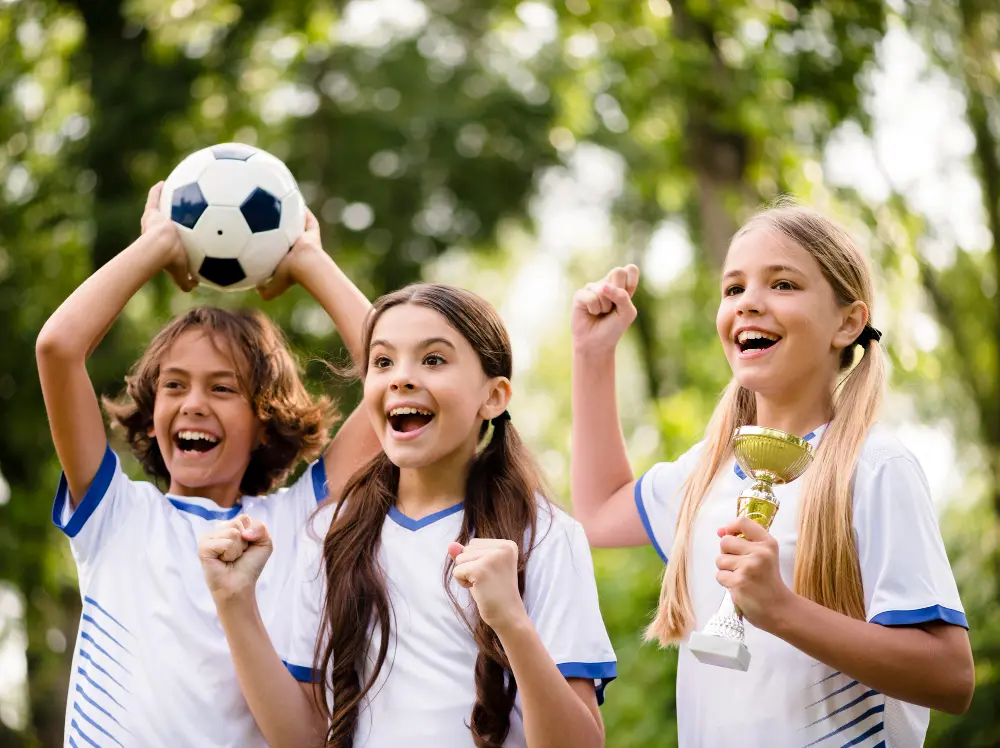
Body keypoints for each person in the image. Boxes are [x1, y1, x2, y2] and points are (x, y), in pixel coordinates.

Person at [569, 203, 975, 748]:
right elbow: (598, 512)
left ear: (847, 323)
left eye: (783, 284)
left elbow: (951, 677)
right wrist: (593, 356)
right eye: (732, 289)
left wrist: (782, 610)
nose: (749, 303)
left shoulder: (875, 466)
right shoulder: (706, 469)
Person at [36, 182, 380, 748]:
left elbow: (391, 384)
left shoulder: (296, 521)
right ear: (151, 417)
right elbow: (58, 348)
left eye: (223, 388)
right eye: (174, 385)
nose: (193, 402)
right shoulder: (116, 516)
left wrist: (310, 263)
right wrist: (159, 244)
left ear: (264, 422)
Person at [199, 283, 617, 748]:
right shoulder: (329, 531)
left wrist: (511, 623)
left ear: (494, 397)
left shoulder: (546, 536)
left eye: (433, 359)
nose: (401, 377)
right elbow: (303, 737)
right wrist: (234, 602)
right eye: (383, 362)